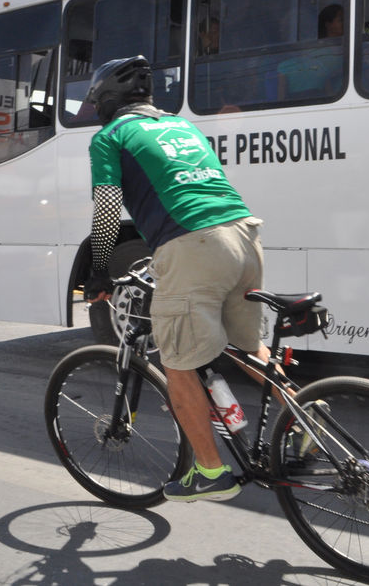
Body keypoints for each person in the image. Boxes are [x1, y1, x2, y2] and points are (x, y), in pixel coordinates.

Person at [83, 55, 268, 502]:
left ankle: (210, 472)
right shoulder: (182, 126)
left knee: (178, 363)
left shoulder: (110, 136)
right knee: (247, 348)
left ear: (107, 99)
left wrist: (98, 272)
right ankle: (309, 417)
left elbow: (108, 212)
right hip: (244, 237)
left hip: (192, 248)